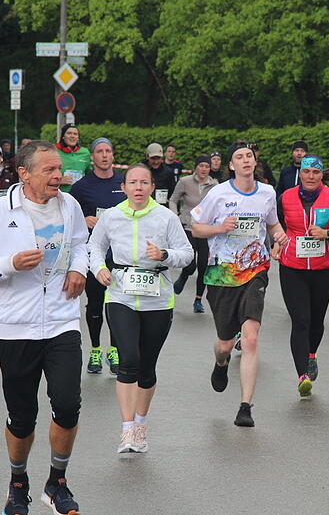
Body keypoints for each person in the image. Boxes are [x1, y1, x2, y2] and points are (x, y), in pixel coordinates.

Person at [0, 140, 88, 515]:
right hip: (16, 326)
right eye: (50, 170)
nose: (59, 176)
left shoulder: (70, 205)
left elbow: (82, 244)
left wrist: (78, 269)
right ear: (24, 174)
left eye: (60, 169)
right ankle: (18, 485)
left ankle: (58, 481)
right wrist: (11, 263)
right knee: (22, 419)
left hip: (62, 320)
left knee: (67, 405)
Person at [88, 163, 193, 454]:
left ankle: (141, 424)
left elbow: (187, 254)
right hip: (120, 294)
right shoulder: (111, 216)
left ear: (151, 188)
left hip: (157, 299)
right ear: (124, 187)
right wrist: (99, 269)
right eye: (132, 182)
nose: (138, 188)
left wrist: (164, 255)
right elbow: (94, 247)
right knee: (128, 360)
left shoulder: (165, 217)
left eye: (143, 183)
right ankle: (126, 429)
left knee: (147, 368)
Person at [191, 141, 287, 427]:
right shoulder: (218, 194)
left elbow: (273, 225)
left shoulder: (268, 193)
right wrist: (220, 228)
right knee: (224, 343)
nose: (245, 160)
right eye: (239, 157)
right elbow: (197, 227)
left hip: (255, 270)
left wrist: (279, 240)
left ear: (255, 162)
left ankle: (245, 406)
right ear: (231, 165)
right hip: (222, 274)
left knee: (251, 337)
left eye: (249, 156)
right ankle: (221, 363)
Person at [273, 155, 329, 397]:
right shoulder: (285, 197)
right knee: (301, 321)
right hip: (292, 266)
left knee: (317, 321)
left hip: (323, 269)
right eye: (306, 172)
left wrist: (328, 233)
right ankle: (302, 376)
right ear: (301, 174)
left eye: (315, 173)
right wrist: (275, 244)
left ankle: (311, 355)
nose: (310, 177)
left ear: (320, 175)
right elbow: (274, 226)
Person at [69, 137, 126, 374]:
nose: (104, 155)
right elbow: (68, 216)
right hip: (95, 254)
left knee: (116, 304)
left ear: (113, 156)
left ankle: (114, 349)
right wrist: (83, 220)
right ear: (92, 157)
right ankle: (94, 349)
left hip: (121, 253)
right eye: (99, 151)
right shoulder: (81, 187)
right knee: (95, 303)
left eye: (108, 151)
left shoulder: (124, 183)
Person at [169, 155, 218, 313]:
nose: (204, 169)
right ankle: (184, 276)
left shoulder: (215, 185)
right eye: (201, 166)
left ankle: (198, 300)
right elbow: (173, 199)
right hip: (188, 226)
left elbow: (219, 205)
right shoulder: (185, 182)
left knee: (204, 265)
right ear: (196, 167)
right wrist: (175, 216)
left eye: (207, 166)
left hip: (205, 229)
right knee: (190, 264)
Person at [56, 123, 91, 192]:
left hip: (80, 194)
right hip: (60, 193)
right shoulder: (54, 151)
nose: (72, 136)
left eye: (75, 134)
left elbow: (89, 173)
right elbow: (46, 174)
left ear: (78, 138)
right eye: (69, 133)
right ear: (63, 136)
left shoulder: (85, 152)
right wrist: (58, 181)